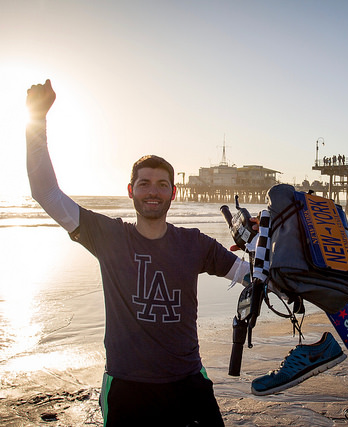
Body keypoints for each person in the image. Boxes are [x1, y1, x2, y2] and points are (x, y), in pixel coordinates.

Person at [26, 79, 249, 426]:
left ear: (174, 193)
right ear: (130, 190)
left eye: (162, 185)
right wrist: (36, 121)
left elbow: (247, 276)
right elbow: (46, 193)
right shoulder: (109, 237)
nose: (152, 192)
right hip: (127, 385)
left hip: (188, 380)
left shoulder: (194, 243)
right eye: (144, 183)